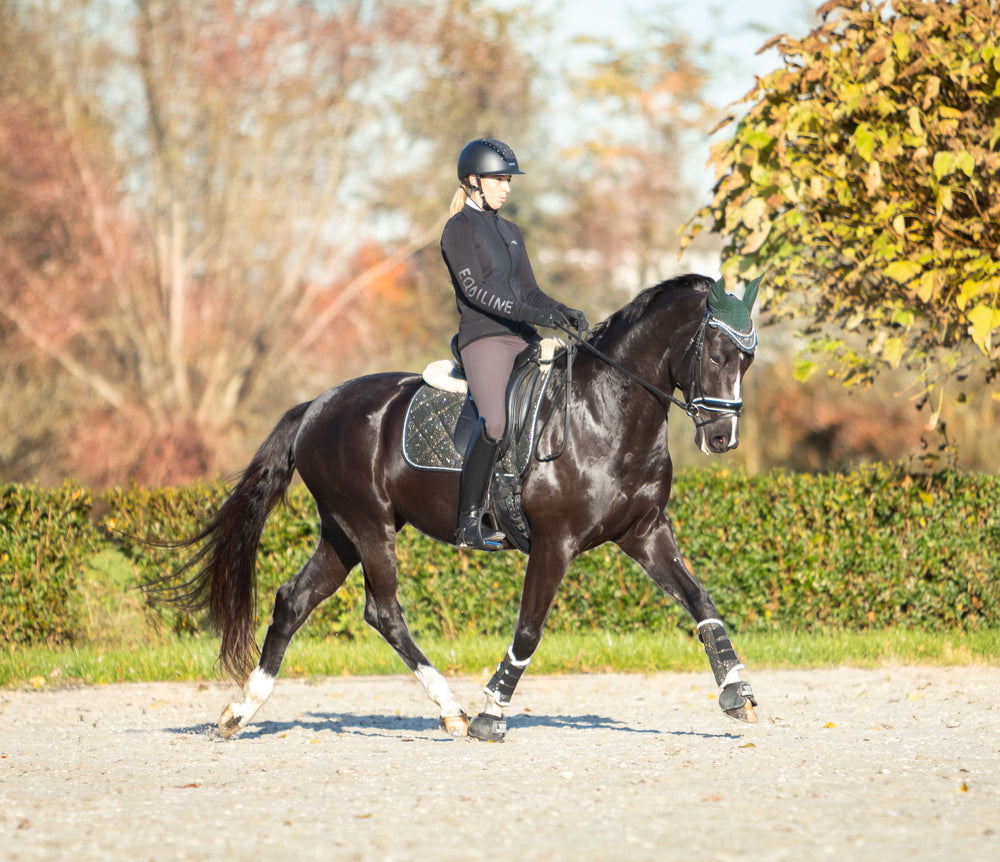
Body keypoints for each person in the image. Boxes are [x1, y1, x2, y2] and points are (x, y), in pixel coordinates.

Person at [440, 137, 588, 550]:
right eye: (499, 179)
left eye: (508, 180)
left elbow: (529, 291)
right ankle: (468, 522)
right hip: (485, 338)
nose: (507, 187)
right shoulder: (458, 230)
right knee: (497, 422)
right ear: (473, 181)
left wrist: (561, 311)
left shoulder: (511, 231)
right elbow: (477, 293)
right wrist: (532, 315)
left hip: (523, 337)